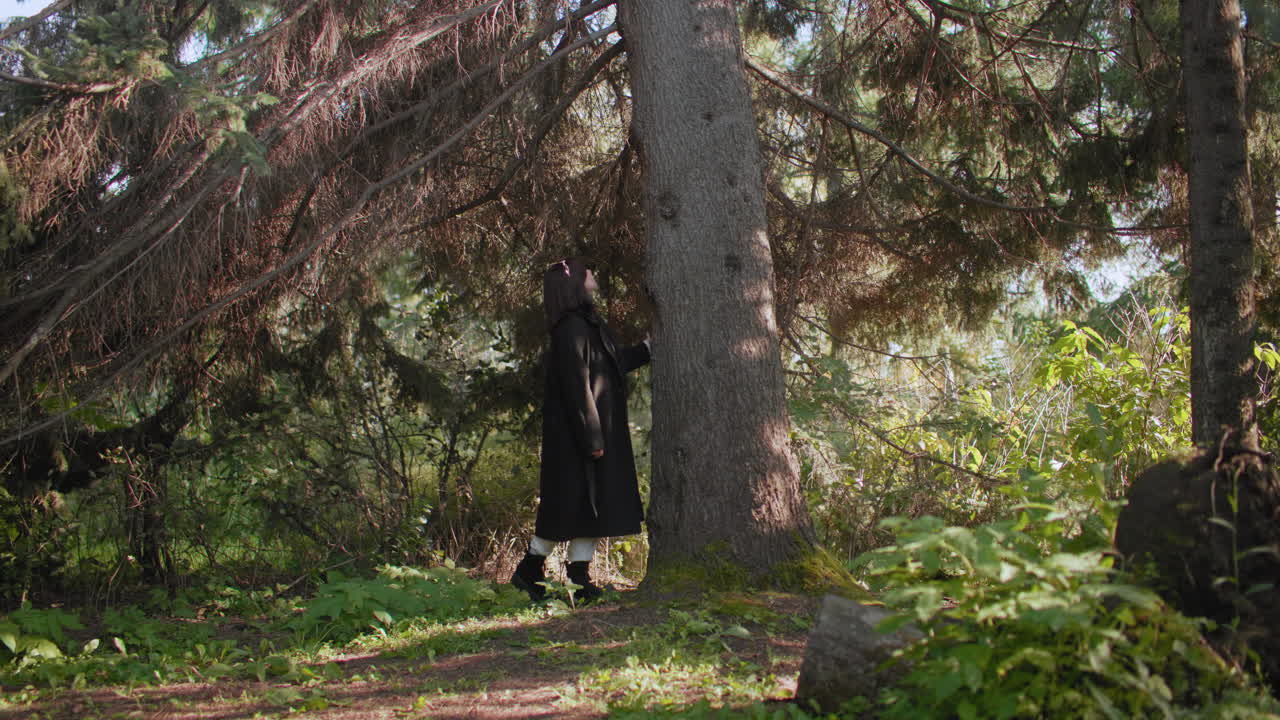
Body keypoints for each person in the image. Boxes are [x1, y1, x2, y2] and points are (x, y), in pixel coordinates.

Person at [511, 258, 651, 603]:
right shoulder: (569, 329)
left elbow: (611, 365)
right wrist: (592, 437)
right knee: (567, 507)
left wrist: (647, 349)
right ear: (573, 283)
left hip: (594, 433)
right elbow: (577, 387)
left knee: (592, 510)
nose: (594, 274)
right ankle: (529, 570)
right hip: (577, 437)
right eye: (588, 271)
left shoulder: (587, 324)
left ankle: (579, 580)